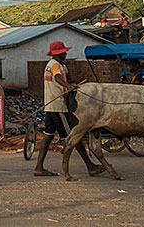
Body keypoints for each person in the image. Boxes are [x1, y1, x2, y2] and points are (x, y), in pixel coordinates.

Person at [33, 41, 105, 177]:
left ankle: (38, 167)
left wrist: (71, 84)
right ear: (58, 54)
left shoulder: (55, 65)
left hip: (50, 106)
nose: (65, 54)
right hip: (59, 107)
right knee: (74, 136)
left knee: (48, 137)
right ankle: (90, 166)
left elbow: (64, 76)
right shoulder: (55, 65)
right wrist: (68, 85)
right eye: (63, 52)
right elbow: (58, 78)